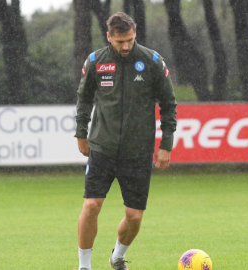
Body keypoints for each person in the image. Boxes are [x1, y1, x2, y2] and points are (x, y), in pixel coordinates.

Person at [74, 12, 177, 270]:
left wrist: (166, 143)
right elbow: (84, 98)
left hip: (138, 152)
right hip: (102, 148)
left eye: (130, 40)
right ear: (109, 37)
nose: (126, 46)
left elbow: (168, 104)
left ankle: (117, 257)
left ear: (135, 34)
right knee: (91, 206)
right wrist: (81, 133)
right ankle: (84, 267)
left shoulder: (152, 61)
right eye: (120, 41)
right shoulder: (97, 61)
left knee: (134, 217)